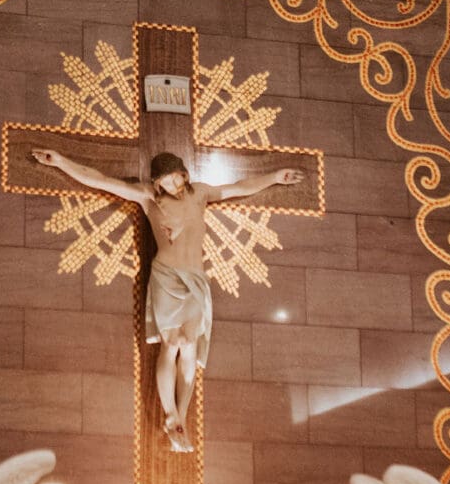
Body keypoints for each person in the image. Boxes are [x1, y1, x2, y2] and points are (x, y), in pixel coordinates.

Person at [31, 145, 302, 446]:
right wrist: (61, 161)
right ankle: (170, 412)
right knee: (171, 344)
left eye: (174, 178)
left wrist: (275, 177)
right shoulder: (149, 197)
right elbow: (100, 180)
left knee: (190, 346)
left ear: (184, 175)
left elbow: (239, 187)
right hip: (167, 277)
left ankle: (180, 415)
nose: (169, 185)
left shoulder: (200, 194)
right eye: (163, 180)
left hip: (195, 279)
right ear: (156, 182)